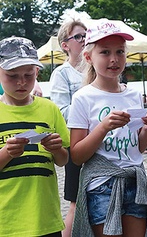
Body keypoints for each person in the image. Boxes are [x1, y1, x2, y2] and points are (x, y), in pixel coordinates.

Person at [68, 18, 147, 236]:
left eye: (120, 52)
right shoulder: (83, 97)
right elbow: (77, 155)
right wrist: (103, 128)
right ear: (89, 57)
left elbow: (139, 148)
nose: (114, 59)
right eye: (105, 52)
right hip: (102, 186)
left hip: (134, 182)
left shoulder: (134, 95)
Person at [0, 36, 70, 236]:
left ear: (37, 73)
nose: (21, 82)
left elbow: (63, 160)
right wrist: (6, 152)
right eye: (12, 76)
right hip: (6, 222)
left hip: (45, 218)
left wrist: (57, 149)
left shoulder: (50, 109)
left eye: (28, 75)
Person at [49, 18, 87, 237]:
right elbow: (61, 112)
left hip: (103, 144)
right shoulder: (61, 74)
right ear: (65, 45)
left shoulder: (97, 69)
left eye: (86, 36)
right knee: (76, 202)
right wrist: (91, 114)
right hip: (76, 143)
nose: (84, 40)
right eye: (78, 37)